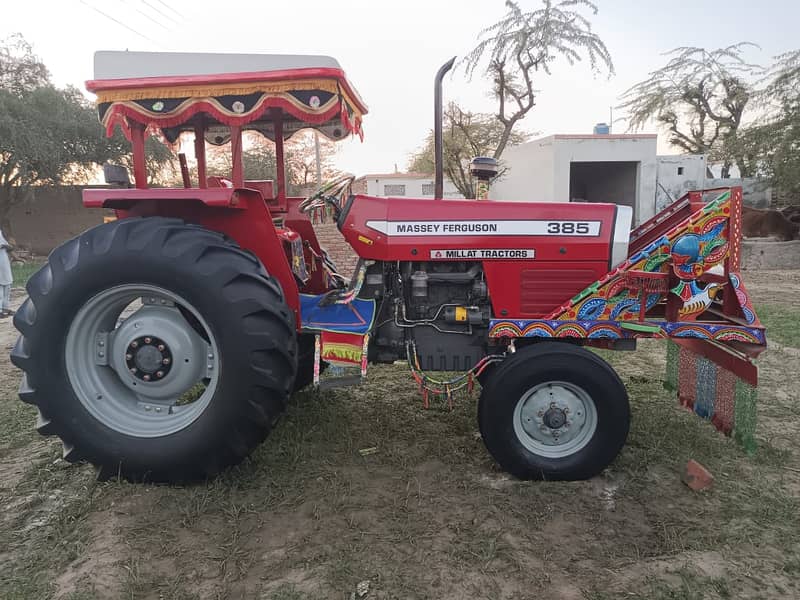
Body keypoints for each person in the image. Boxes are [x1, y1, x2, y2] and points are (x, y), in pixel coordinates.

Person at [0, 228, 13, 318]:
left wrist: (5, 246)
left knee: (7, 286)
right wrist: (4, 245)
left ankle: (5, 308)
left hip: (4, 261)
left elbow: (9, 247)